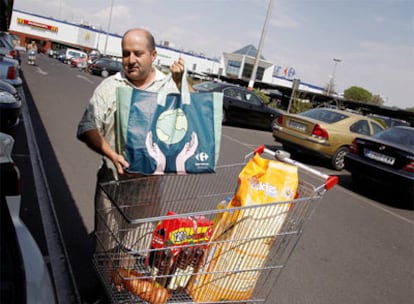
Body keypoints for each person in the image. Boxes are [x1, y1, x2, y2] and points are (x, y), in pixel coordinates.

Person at [77, 28, 194, 257]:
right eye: (126, 53)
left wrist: (182, 83)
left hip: (147, 192)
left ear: (154, 55)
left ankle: (123, 286)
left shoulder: (169, 86)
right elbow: (87, 127)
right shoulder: (110, 87)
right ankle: (104, 286)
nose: (130, 60)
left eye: (138, 53)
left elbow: (197, 116)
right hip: (112, 185)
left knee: (134, 253)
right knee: (106, 252)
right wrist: (112, 155)